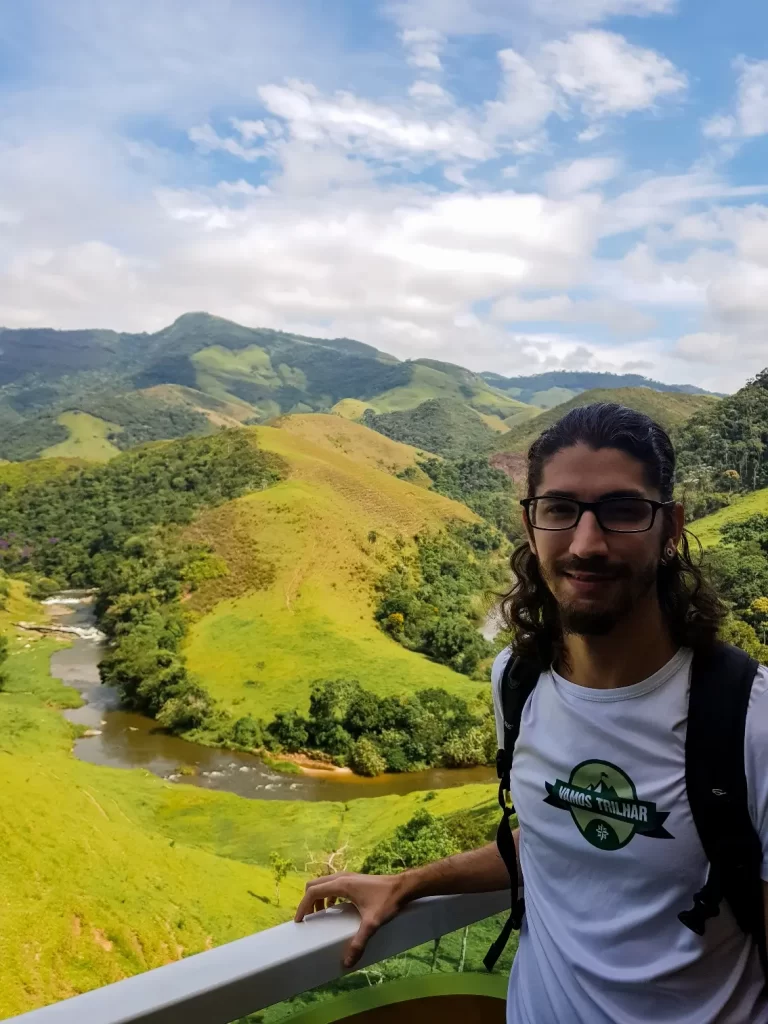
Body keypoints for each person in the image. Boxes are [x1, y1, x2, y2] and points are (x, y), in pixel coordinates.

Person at [295, 403, 768, 1024]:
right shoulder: (516, 683)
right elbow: (554, 833)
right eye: (560, 510)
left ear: (671, 526)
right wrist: (411, 881)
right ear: (531, 524)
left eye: (623, 510)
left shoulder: (749, 723)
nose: (586, 543)